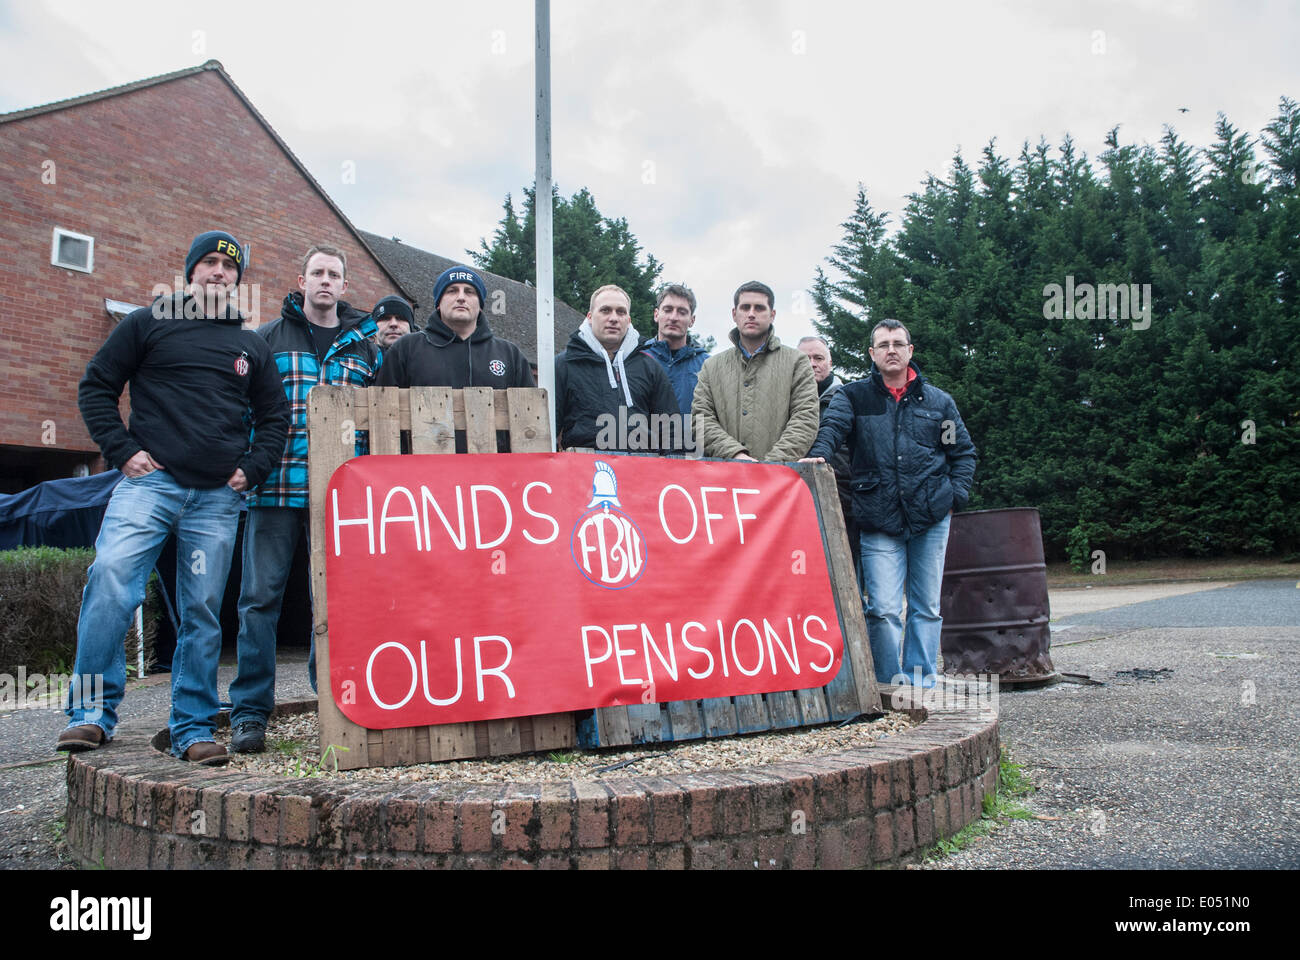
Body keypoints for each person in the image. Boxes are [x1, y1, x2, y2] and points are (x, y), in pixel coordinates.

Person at [60, 230, 290, 765]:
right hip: (149, 486)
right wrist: (121, 450)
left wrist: (251, 470)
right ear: (191, 271)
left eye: (229, 267)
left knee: (203, 610)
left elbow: (275, 417)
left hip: (216, 499)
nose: (218, 272)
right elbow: (96, 385)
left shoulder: (250, 345)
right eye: (208, 262)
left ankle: (192, 727)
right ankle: (91, 715)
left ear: (237, 280)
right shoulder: (147, 324)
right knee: (111, 579)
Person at [229, 244, 382, 753]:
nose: (324, 281)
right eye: (316, 272)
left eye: (333, 274)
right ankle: (250, 712)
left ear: (343, 285)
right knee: (259, 600)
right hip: (274, 488)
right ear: (300, 281)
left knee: (335, 602)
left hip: (339, 496)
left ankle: (334, 701)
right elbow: (243, 412)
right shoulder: (266, 339)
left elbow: (374, 422)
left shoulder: (365, 347)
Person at [803, 319, 977, 688]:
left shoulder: (938, 402)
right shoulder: (854, 397)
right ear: (872, 354)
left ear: (910, 351)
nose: (891, 350)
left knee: (926, 607)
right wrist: (819, 454)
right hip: (879, 518)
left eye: (898, 343)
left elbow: (963, 454)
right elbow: (833, 427)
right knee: (882, 609)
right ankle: (887, 684)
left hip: (930, 516)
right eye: (883, 344)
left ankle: (921, 680)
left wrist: (954, 497)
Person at [691, 280, 819, 461]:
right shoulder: (712, 367)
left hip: (780, 479)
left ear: (772, 315)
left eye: (759, 308)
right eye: (745, 307)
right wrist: (735, 454)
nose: (751, 314)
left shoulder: (797, 362)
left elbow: (805, 418)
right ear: (734, 314)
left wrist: (772, 464)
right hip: (724, 478)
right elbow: (701, 420)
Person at [555, 284, 679, 452]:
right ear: (590, 317)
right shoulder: (564, 365)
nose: (613, 318)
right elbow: (546, 429)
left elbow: (671, 431)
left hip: (642, 469)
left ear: (628, 320)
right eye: (605, 310)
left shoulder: (650, 368)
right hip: (581, 469)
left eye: (621, 312)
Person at [376, 265, 534, 389]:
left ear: (480, 305)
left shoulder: (509, 355)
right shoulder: (406, 349)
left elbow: (529, 415)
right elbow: (384, 412)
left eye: (469, 292)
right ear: (438, 304)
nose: (461, 298)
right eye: (452, 291)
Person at [798, 335, 859, 569]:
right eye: (805, 359)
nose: (812, 363)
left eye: (818, 358)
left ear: (830, 363)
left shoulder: (851, 399)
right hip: (798, 498)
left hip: (844, 497)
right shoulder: (784, 402)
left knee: (847, 569)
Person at [639, 283, 709, 417]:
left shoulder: (708, 366)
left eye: (682, 312)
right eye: (668, 310)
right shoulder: (637, 359)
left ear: (692, 320)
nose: (673, 317)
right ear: (656, 314)